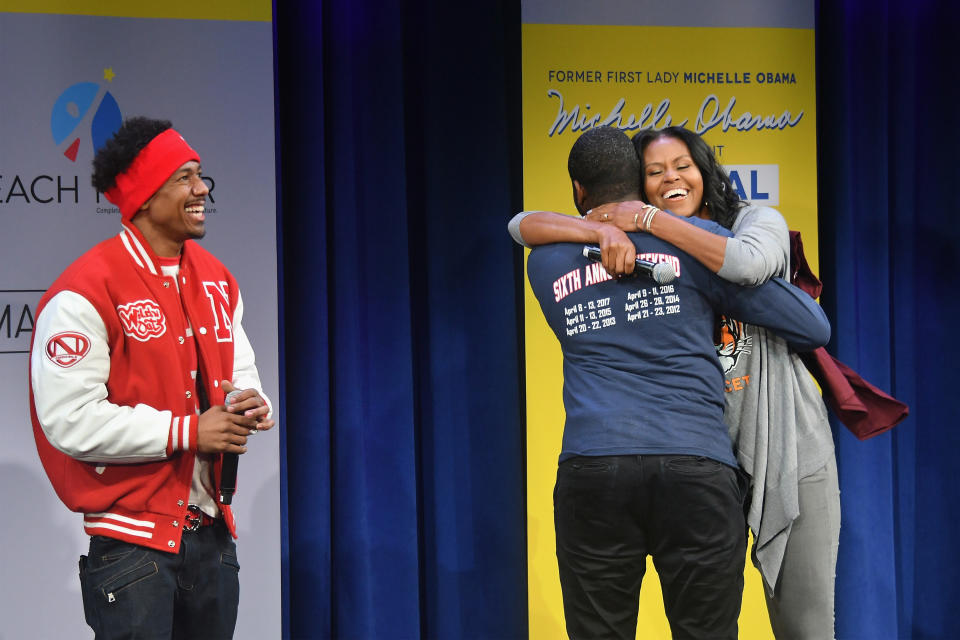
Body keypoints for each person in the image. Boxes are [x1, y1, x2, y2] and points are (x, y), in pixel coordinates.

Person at [511, 125, 840, 639]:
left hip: (593, 470)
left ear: (578, 189)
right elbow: (811, 326)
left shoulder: (544, 261)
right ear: (638, 184)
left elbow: (522, 224)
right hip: (696, 469)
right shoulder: (695, 246)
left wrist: (598, 230)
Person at [29, 117, 274, 639]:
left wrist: (251, 404)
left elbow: (241, 371)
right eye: (184, 177)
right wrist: (189, 431)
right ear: (144, 196)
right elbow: (69, 421)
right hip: (131, 550)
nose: (202, 188)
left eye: (200, 175)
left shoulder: (217, 278)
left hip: (211, 540)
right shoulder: (85, 290)